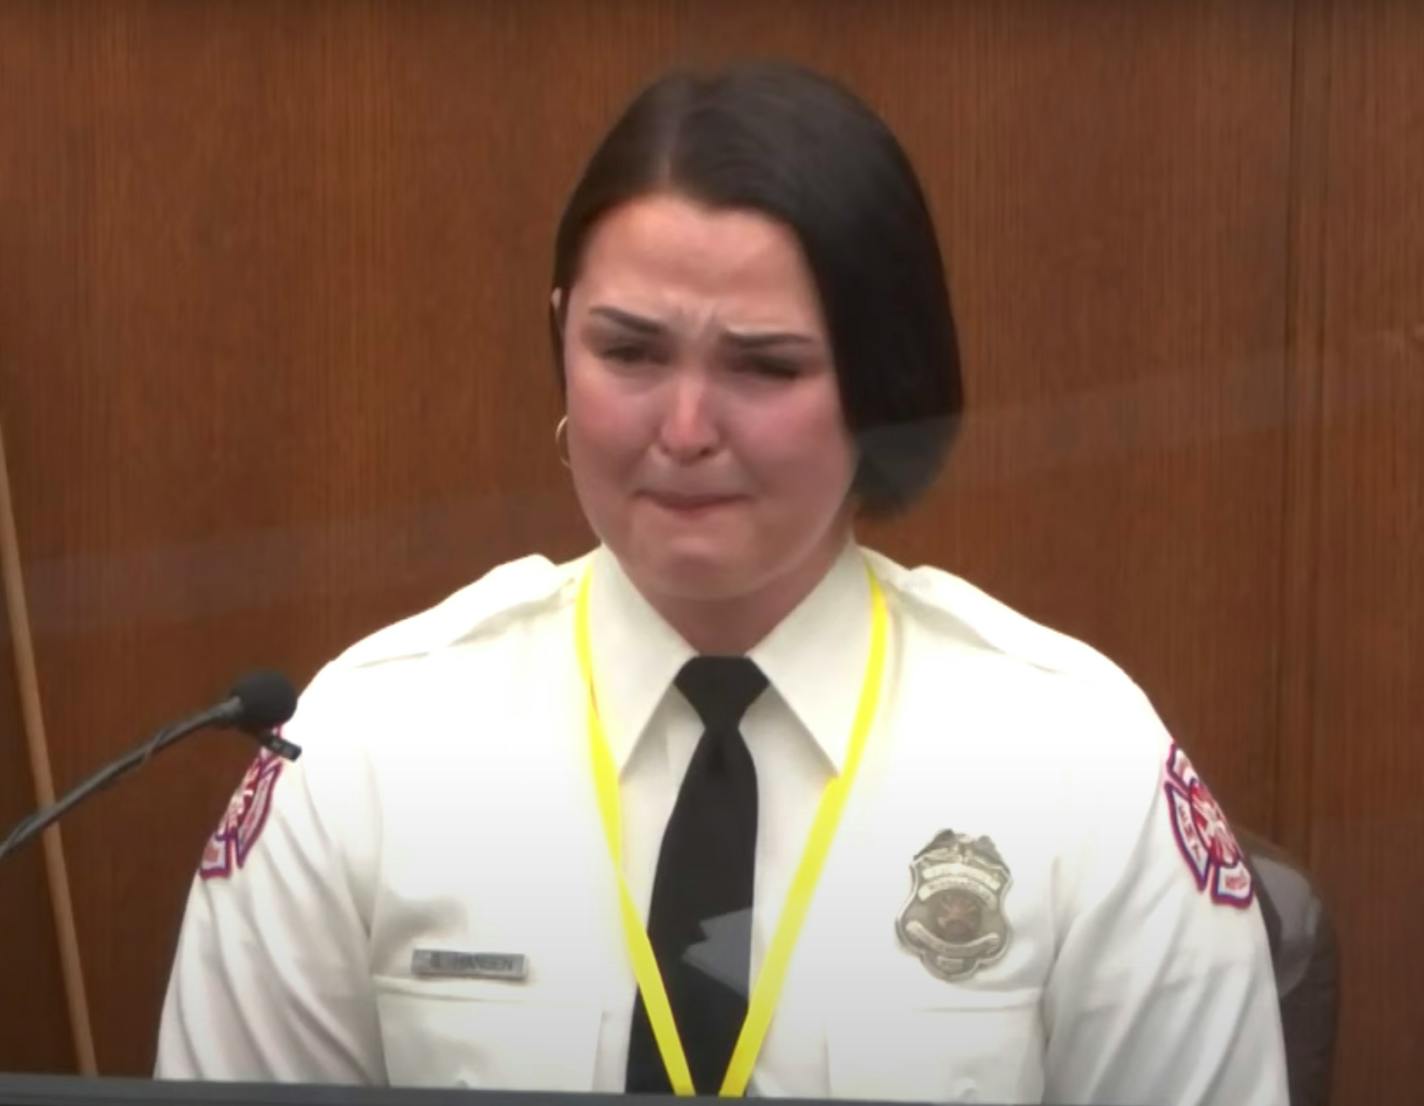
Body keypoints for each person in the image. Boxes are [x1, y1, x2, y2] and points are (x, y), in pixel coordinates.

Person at [155, 61, 1288, 1104]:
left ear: (880, 383)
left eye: (763, 365)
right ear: (560, 340)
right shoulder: (361, 750)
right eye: (630, 352)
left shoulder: (1077, 764)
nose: (684, 429)